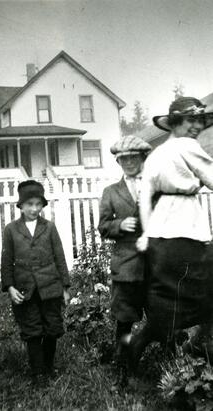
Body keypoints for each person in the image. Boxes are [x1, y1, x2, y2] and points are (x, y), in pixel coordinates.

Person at [132, 96, 213, 368]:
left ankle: (131, 356)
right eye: (190, 120)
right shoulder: (187, 147)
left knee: (167, 304)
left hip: (160, 236)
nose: (196, 127)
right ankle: (198, 351)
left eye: (200, 121)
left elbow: (144, 199)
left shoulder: (156, 155)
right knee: (204, 297)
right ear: (175, 123)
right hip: (188, 231)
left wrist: (146, 233)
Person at [1, 180, 70, 382]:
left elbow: (60, 257)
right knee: (32, 331)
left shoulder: (49, 228)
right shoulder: (11, 229)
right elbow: (6, 260)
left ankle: (48, 366)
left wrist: (65, 287)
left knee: (52, 328)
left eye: (38, 204)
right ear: (21, 205)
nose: (34, 208)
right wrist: (10, 287)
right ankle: (38, 373)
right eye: (29, 204)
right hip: (25, 290)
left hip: (50, 288)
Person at [98, 135, 151, 366]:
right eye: (124, 159)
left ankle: (169, 365)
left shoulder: (154, 186)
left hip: (154, 263)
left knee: (163, 314)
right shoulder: (111, 191)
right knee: (125, 318)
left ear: (142, 158)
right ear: (118, 162)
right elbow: (102, 226)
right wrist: (119, 225)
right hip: (126, 265)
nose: (129, 163)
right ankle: (124, 365)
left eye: (134, 158)